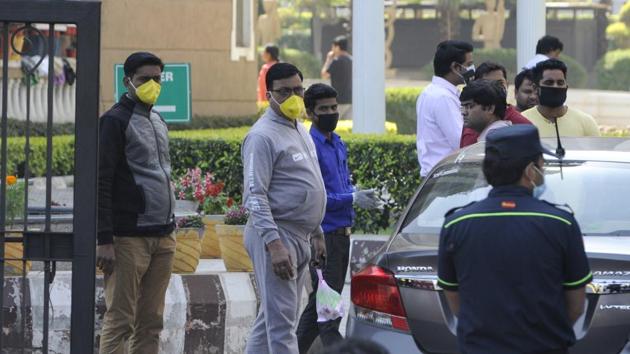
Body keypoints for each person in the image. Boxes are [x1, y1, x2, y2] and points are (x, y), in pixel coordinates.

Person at [438, 125, 592, 354]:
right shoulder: (561, 224)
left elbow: (456, 302)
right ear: (530, 171)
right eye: (542, 164)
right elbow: (576, 305)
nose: (543, 169)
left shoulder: (456, 224)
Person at [242, 62, 327, 354]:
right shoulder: (261, 136)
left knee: (274, 316)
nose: (293, 96)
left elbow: (310, 182)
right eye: (284, 91)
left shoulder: (300, 130)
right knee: (281, 325)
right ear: (269, 95)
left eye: (298, 90)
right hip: (277, 235)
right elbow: (255, 195)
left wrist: (316, 232)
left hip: (300, 236)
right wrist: (274, 245)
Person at [97, 52, 176, 354]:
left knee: (152, 321)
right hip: (128, 238)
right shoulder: (114, 121)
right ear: (127, 81)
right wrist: (105, 239)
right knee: (120, 321)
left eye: (157, 79)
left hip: (164, 236)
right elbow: (101, 182)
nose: (152, 84)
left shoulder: (158, 119)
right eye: (145, 79)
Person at [296, 83, 381, 353]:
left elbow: (340, 188)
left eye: (334, 107)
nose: (332, 113)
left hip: (342, 235)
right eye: (324, 109)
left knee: (317, 309)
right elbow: (318, 198)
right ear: (310, 112)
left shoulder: (337, 143)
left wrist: (357, 193)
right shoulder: (312, 147)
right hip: (325, 237)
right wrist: (353, 198)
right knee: (329, 313)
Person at [416, 40, 474, 177]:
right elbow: (460, 141)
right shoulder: (443, 98)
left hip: (438, 174)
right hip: (446, 176)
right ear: (455, 67)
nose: (472, 69)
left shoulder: (431, 92)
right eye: (469, 65)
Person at [522, 59, 600, 137]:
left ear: (566, 87)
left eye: (560, 83)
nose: (555, 86)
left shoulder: (586, 122)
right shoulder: (521, 122)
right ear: (535, 88)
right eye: (549, 82)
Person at [460, 61, 531, 147]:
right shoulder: (472, 121)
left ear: (507, 84)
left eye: (499, 83)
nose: (494, 88)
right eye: (486, 84)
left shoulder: (523, 125)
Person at [321, 35, 352, 119]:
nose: (332, 49)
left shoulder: (336, 61)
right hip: (351, 99)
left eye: (333, 47)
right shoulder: (352, 60)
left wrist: (328, 59)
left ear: (337, 47)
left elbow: (324, 75)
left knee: (335, 124)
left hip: (339, 100)